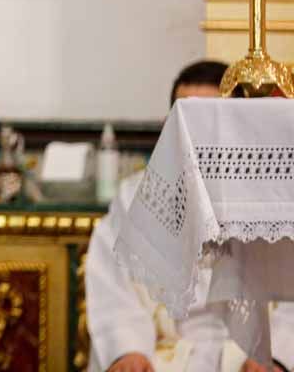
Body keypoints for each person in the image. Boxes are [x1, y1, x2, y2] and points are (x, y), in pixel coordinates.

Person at [86, 60, 294, 372]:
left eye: (207, 122)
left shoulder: (274, 203)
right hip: (162, 355)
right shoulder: (136, 199)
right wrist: (128, 350)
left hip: (249, 357)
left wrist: (277, 356)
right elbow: (113, 286)